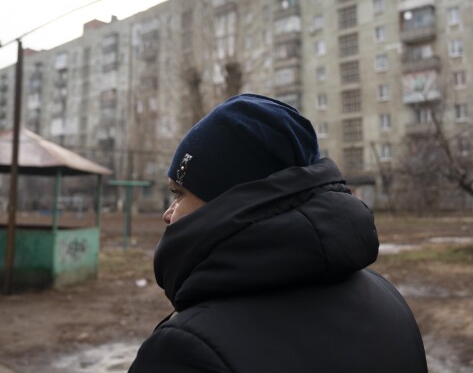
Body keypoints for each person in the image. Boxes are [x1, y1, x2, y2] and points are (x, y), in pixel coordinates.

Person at [129, 94, 427, 372]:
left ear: (228, 200)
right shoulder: (390, 302)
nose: (167, 213)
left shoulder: (186, 351)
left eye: (178, 193)